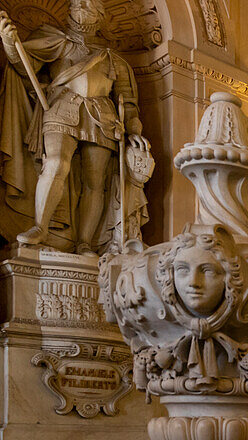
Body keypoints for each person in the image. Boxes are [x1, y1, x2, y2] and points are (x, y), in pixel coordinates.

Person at [0, 0, 150, 253]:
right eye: (80, 5)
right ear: (71, 12)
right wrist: (7, 40)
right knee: (56, 163)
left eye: (90, 7)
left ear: (99, 17)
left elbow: (129, 102)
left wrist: (134, 130)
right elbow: (23, 64)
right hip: (61, 108)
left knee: (95, 181)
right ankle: (40, 228)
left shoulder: (114, 58)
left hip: (103, 117)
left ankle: (84, 243)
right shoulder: (56, 41)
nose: (83, 11)